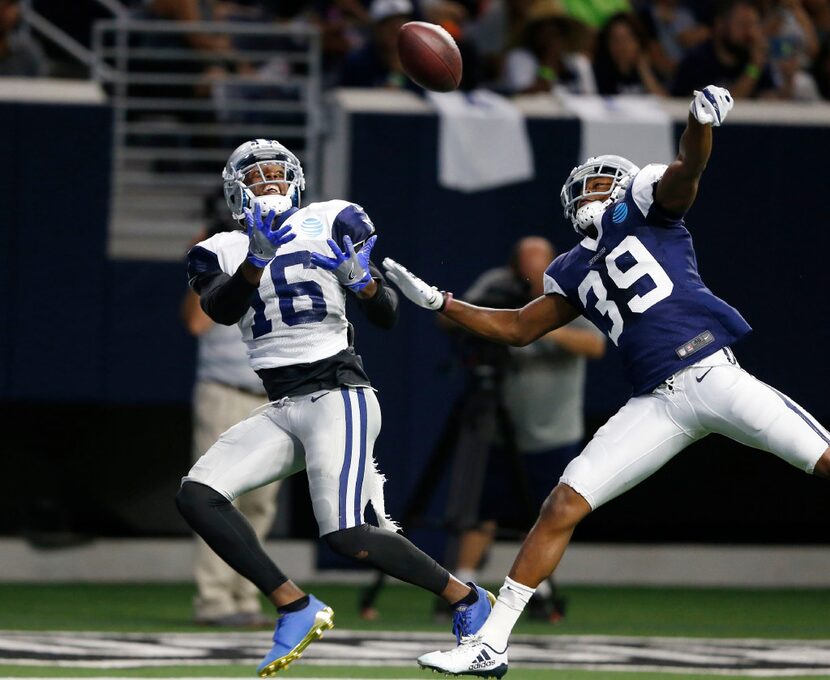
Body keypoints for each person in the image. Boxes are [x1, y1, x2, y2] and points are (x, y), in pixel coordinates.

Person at [382, 84, 830, 677]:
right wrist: (441, 302)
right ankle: (490, 644)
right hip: (656, 404)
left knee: (824, 461)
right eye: (584, 187)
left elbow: (687, 168)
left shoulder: (643, 208)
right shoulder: (567, 267)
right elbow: (518, 329)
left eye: (602, 183)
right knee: (562, 503)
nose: (595, 193)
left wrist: (701, 123)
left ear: (622, 187)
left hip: (712, 372)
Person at [176, 138, 494, 677]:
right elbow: (220, 311)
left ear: (298, 182)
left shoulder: (332, 220)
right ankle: (295, 606)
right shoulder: (219, 249)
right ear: (235, 193)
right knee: (198, 496)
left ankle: (467, 599)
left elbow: (388, 315)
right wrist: (255, 261)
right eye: (257, 178)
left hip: (338, 393)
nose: (270, 184)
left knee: (346, 535)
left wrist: (365, 285)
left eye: (278, 175)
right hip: (284, 403)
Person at [450, 237, 606, 623]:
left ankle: (535, 592)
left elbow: (595, 346)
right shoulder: (499, 288)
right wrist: (497, 316)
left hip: (553, 432)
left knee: (548, 514)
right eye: (526, 265)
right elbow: (449, 320)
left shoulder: (572, 293)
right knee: (482, 509)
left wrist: (532, 327)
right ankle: (463, 585)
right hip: (501, 429)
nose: (532, 274)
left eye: (540, 265)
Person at [181, 196, 279, 628]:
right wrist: (207, 255)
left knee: (261, 503)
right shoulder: (214, 257)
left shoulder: (282, 253)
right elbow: (196, 322)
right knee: (216, 494)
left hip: (272, 396)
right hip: (225, 392)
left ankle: (246, 596)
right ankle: (214, 600)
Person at [671, 0, 778, 98]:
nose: (749, 33)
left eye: (753, 25)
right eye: (742, 25)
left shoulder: (755, 59)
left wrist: (788, 80)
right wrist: (754, 68)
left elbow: (771, 104)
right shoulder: (696, 62)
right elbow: (725, 110)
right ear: (720, 25)